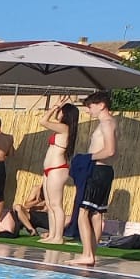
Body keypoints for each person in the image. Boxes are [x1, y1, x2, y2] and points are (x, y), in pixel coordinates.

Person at [75, 91, 118, 267]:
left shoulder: (107, 123)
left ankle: (87, 254)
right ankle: (91, 253)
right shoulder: (110, 123)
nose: (88, 111)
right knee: (97, 214)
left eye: (90, 107)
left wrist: (86, 158)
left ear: (101, 105)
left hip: (99, 170)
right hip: (104, 171)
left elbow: (110, 151)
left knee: (83, 213)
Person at [38, 102, 80, 245]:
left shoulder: (64, 128)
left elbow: (43, 121)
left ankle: (58, 237)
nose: (58, 112)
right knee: (49, 204)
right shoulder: (62, 127)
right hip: (49, 169)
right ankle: (53, 234)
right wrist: (58, 107)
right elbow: (50, 120)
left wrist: (54, 107)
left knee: (56, 204)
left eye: (61, 111)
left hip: (57, 168)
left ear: (65, 114)